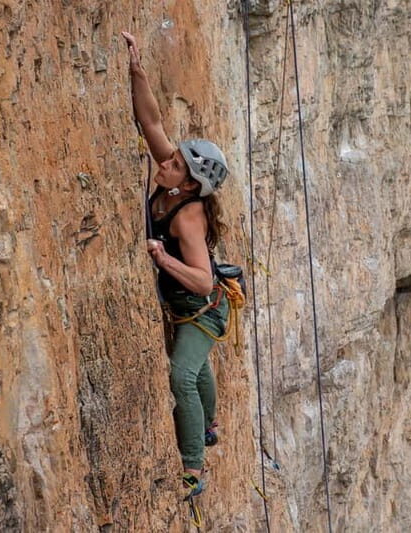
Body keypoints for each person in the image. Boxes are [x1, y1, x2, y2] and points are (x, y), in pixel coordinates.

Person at [122, 31, 229, 498]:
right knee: (198, 369)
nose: (166, 162)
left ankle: (194, 468)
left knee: (183, 373)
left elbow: (204, 281)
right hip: (191, 307)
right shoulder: (174, 175)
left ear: (189, 185)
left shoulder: (187, 217)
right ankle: (209, 423)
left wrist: (163, 258)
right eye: (174, 159)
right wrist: (136, 68)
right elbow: (151, 121)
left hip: (203, 310)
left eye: (177, 165)